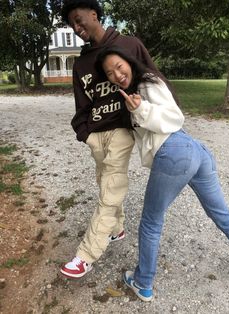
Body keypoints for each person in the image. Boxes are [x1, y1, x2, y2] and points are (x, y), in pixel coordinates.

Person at [95, 45, 229, 302]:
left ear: (129, 61)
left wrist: (141, 110)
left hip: (175, 150)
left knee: (151, 221)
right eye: (109, 72)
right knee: (222, 213)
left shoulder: (147, 82)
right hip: (194, 152)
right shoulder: (130, 94)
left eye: (119, 66)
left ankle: (143, 283)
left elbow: (174, 117)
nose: (116, 74)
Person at [60, 0, 158, 279]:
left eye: (80, 20)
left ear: (94, 14)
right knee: (105, 182)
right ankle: (117, 228)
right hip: (96, 136)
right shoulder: (81, 63)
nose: (77, 28)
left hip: (122, 132)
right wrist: (85, 133)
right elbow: (81, 103)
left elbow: (153, 79)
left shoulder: (129, 45)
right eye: (72, 25)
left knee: (111, 188)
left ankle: (85, 256)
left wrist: (164, 115)